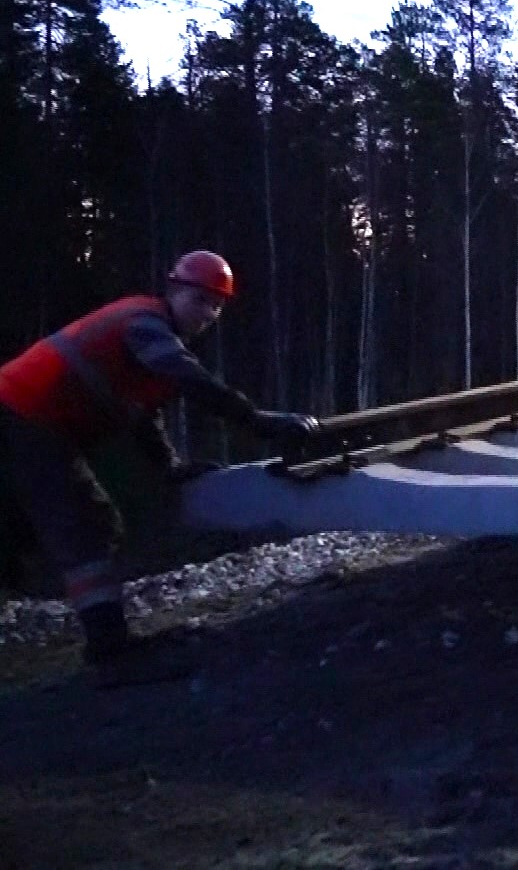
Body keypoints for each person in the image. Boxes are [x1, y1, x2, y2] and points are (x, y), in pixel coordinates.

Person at [0, 251, 318, 687]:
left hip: (29, 423)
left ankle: (92, 639)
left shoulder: (151, 346)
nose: (207, 313)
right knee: (84, 525)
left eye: (216, 306)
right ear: (174, 291)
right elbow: (188, 378)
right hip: (20, 418)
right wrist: (258, 421)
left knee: (33, 531)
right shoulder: (145, 324)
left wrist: (169, 467)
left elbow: (143, 419)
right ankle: (109, 652)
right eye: (200, 299)